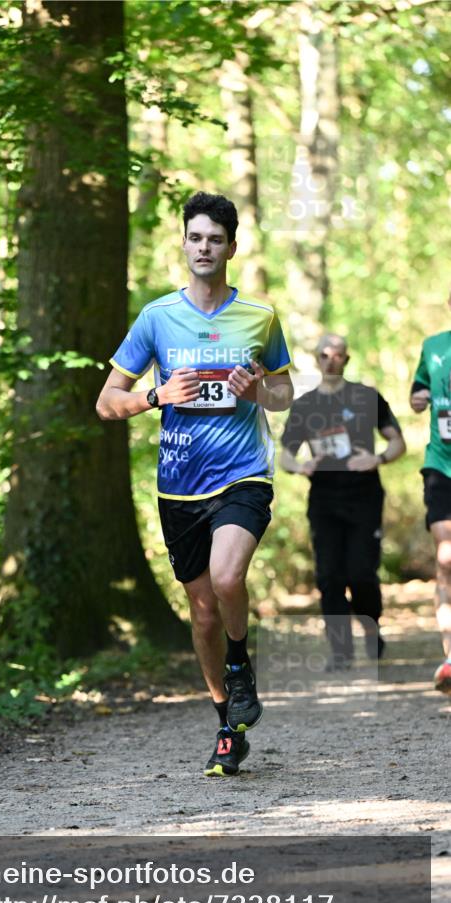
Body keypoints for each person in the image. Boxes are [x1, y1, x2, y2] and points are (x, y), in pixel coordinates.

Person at [96, 192, 293, 777]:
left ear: (233, 247)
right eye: (196, 237)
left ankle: (240, 666)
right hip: (179, 485)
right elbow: (106, 402)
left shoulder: (260, 318)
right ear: (183, 243)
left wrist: (257, 390)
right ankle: (226, 728)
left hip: (242, 475)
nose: (205, 247)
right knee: (203, 613)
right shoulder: (157, 318)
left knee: (230, 576)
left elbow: (283, 396)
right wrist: (156, 395)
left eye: (216, 239)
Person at [280, 334, 406, 670]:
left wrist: (378, 459)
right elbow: (285, 456)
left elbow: (397, 442)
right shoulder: (305, 405)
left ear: (346, 360)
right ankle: (340, 652)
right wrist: (301, 466)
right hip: (323, 498)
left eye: (337, 355)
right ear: (316, 359)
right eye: (324, 355)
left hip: (363, 496)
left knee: (362, 573)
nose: (330, 360)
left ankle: (371, 626)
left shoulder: (366, 397)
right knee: (330, 576)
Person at [409, 293, 451, 694]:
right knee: (447, 556)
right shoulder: (434, 347)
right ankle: (450, 658)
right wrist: (419, 399)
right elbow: (416, 395)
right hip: (441, 464)